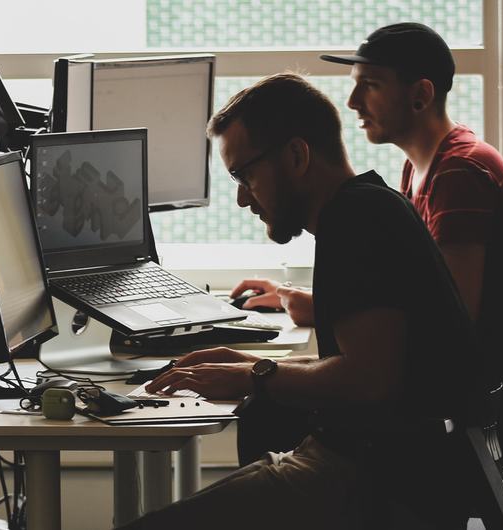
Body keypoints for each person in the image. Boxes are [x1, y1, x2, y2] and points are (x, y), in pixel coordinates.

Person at [119, 73, 482, 529]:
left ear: (295, 155)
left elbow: (369, 380)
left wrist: (257, 375)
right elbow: (362, 363)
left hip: (370, 482)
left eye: (244, 174)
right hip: (382, 470)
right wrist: (246, 363)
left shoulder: (357, 220)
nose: (240, 197)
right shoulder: (370, 205)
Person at [233, 22, 503, 465]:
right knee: (268, 409)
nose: (352, 102)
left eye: (369, 86)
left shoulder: (459, 174)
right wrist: (304, 301)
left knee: (265, 411)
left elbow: (454, 317)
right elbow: (415, 299)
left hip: (458, 414)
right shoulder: (421, 169)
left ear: (420, 95)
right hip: (442, 396)